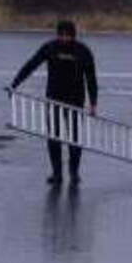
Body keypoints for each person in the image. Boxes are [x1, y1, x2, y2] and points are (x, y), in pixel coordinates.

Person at [9, 20, 99, 185]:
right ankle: (57, 173)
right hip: (54, 98)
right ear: (57, 35)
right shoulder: (50, 48)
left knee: (74, 138)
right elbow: (31, 65)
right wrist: (14, 84)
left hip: (75, 100)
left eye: (68, 35)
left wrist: (93, 103)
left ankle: (74, 172)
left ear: (73, 35)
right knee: (53, 136)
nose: (64, 38)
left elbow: (91, 78)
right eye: (61, 35)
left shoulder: (83, 51)